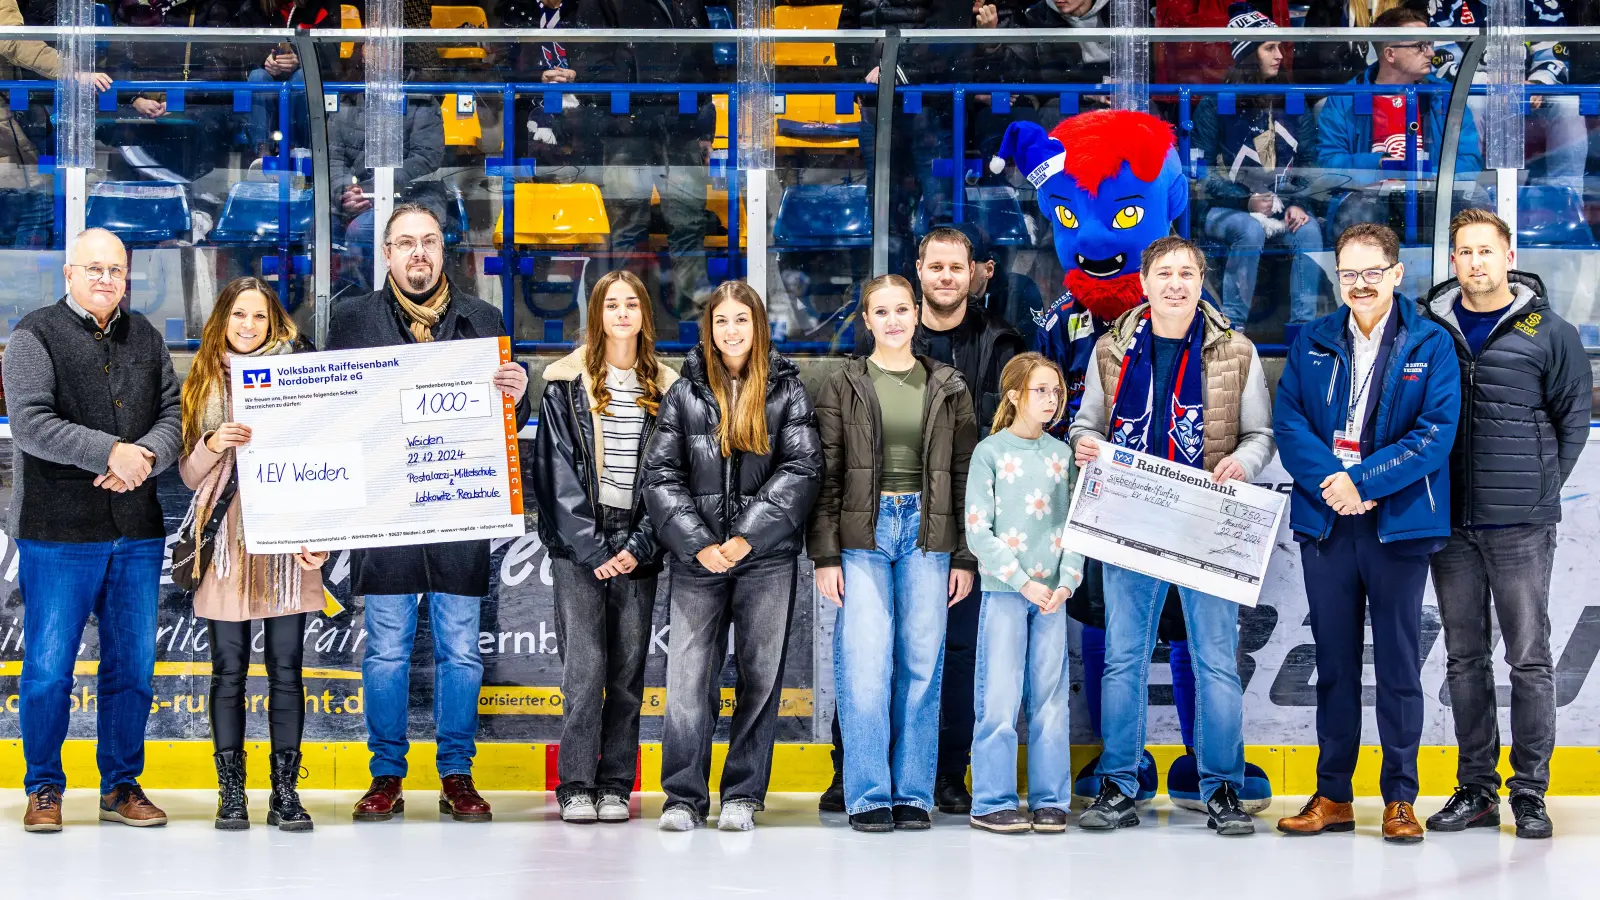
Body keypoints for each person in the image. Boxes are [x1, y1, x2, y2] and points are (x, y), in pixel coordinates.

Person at [326, 204, 531, 824]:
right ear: (385, 254)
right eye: (406, 243)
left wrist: (520, 398)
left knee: (461, 652)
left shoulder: (484, 319)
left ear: (445, 252)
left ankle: (457, 775)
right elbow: (336, 413)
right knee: (386, 650)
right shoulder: (351, 320)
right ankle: (386, 774)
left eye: (430, 242)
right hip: (385, 511)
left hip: (459, 509)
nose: (419, 253)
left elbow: (503, 422)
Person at [1069, 235, 1275, 836]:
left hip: (1206, 524)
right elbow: (1089, 423)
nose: (1176, 284)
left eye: (1187, 273)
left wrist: (1245, 463)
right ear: (1145, 280)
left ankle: (1222, 789)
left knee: (1214, 661)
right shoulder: (1112, 348)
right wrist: (1084, 444)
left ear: (1201, 279)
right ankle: (1120, 783)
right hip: (1131, 521)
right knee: (1124, 659)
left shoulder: (1235, 350)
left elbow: (1259, 435)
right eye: (1165, 273)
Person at [1274, 223, 1460, 844]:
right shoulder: (1313, 340)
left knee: (1401, 667)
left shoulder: (1430, 342)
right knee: (1333, 666)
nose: (1358, 284)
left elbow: (1434, 433)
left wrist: (1367, 481)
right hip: (1328, 523)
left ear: (1396, 274)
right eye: (1347, 273)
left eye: (1371, 273)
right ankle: (1333, 796)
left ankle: (1400, 799)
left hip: (1398, 526)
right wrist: (1335, 482)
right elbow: (1290, 422)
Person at [1421, 210, 1592, 840]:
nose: (1475, 263)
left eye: (1486, 251)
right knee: (1464, 659)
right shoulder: (1429, 328)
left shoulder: (1551, 331)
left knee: (1528, 659)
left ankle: (1529, 792)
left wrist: (1542, 488)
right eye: (1464, 252)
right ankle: (1477, 788)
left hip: (1520, 523)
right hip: (1449, 522)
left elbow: (1573, 419)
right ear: (1453, 260)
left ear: (1508, 253)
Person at [3, 228, 181, 832]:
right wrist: (112, 453)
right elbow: (29, 423)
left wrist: (147, 457)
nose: (107, 279)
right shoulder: (34, 334)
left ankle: (121, 785)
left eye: (117, 271)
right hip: (57, 533)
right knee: (50, 668)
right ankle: (44, 787)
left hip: (136, 530)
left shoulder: (147, 336)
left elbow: (174, 416)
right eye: (95, 269)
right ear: (69, 274)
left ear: (127, 278)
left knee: (132, 668)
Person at [842, 225, 1023, 816]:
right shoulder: (859, 373)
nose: (946, 276)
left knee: (948, 655)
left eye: (957, 267)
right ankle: (857, 775)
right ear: (918, 273)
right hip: (879, 526)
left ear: (976, 273)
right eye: (935, 266)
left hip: (959, 527)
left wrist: (973, 544)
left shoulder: (999, 344)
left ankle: (942, 775)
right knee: (868, 657)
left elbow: (988, 448)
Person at [642, 281, 821, 832]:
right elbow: (660, 474)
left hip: (765, 558)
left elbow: (802, 470)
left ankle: (743, 793)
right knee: (689, 679)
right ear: (709, 328)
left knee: (760, 679)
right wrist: (699, 542)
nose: (731, 330)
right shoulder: (684, 392)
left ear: (758, 325)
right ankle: (683, 797)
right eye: (721, 321)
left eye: (741, 320)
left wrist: (746, 536)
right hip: (698, 562)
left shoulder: (787, 390)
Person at [808, 275, 978, 833]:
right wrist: (826, 554)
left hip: (930, 536)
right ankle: (868, 794)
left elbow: (963, 476)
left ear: (916, 315)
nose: (894, 320)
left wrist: (965, 557)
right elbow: (827, 474)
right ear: (867, 319)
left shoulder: (947, 385)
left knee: (922, 667)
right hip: (864, 533)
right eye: (881, 311)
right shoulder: (844, 384)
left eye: (902, 309)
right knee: (864, 667)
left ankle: (912, 792)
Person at [175, 276, 327, 832]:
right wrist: (213, 445)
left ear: (274, 323)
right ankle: (231, 793)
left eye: (259, 317)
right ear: (223, 318)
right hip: (224, 545)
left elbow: (324, 466)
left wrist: (323, 540)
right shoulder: (200, 382)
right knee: (228, 670)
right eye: (239, 315)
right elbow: (189, 477)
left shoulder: (299, 378)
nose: (248, 326)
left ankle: (285, 792)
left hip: (286, 542)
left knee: (287, 669)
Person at [531, 270, 679, 824]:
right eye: (611, 304)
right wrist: (594, 550)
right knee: (585, 670)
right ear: (597, 314)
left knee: (626, 672)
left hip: (639, 539)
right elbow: (554, 474)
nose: (621, 313)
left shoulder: (668, 387)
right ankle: (576, 783)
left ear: (644, 313)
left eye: (631, 303)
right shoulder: (565, 382)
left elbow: (669, 477)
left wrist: (639, 544)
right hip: (580, 546)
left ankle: (617, 781)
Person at [964, 353, 1084, 834]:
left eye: (1056, 391)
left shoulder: (1063, 456)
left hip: (1052, 597)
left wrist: (1066, 581)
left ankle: (1051, 798)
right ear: (1014, 395)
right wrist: (1021, 580)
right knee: (998, 694)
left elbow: (1076, 524)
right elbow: (979, 531)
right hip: (1006, 592)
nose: (1052, 400)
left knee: (1051, 697)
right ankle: (992, 799)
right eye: (1041, 390)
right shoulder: (989, 453)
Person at [570, 0, 718, 319]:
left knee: (689, 220)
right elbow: (590, 60)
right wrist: (627, 104)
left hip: (681, 125)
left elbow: (704, 62)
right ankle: (615, 316)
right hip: (627, 127)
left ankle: (694, 318)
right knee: (626, 222)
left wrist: (704, 126)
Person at [1193, 4, 1324, 328]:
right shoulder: (1215, 104)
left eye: (1279, 46)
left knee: (1308, 231)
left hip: (1282, 204)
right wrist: (1244, 200)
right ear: (1249, 54)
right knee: (1249, 228)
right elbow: (1200, 171)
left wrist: (1298, 203)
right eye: (1269, 48)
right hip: (1224, 208)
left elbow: (1308, 162)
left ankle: (1303, 331)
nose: (1279, 55)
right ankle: (1232, 328)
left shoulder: (1293, 101)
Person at [1315, 7, 1483, 234]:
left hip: (1432, 194)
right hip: (1368, 196)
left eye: (1430, 44)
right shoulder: (1344, 100)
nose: (1431, 53)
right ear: (1390, 54)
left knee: (1475, 208)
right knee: (1358, 212)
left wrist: (1429, 175)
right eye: (1420, 46)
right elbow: (1328, 164)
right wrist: (1379, 164)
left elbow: (1469, 161)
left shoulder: (1446, 97)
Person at [1426, 0, 1587, 194]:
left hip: (1526, 96)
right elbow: (1440, 61)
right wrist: (1491, 83)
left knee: (1568, 105)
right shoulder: (1447, 3)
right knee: (1472, 104)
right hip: (1476, 90)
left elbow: (1554, 56)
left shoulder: (1540, 3)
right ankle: (1463, 196)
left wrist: (1537, 84)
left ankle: (1567, 198)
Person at [0, 0, 110, 248]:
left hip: (21, 127)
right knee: (29, 213)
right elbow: (11, 40)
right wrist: (70, 70)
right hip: (12, 144)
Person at [327, 93, 446, 292]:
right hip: (355, 197)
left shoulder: (421, 100)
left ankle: (383, 300)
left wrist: (370, 190)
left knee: (362, 230)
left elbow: (425, 158)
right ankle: (343, 301)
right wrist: (345, 190)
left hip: (412, 197)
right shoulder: (345, 101)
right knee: (318, 229)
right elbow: (333, 160)